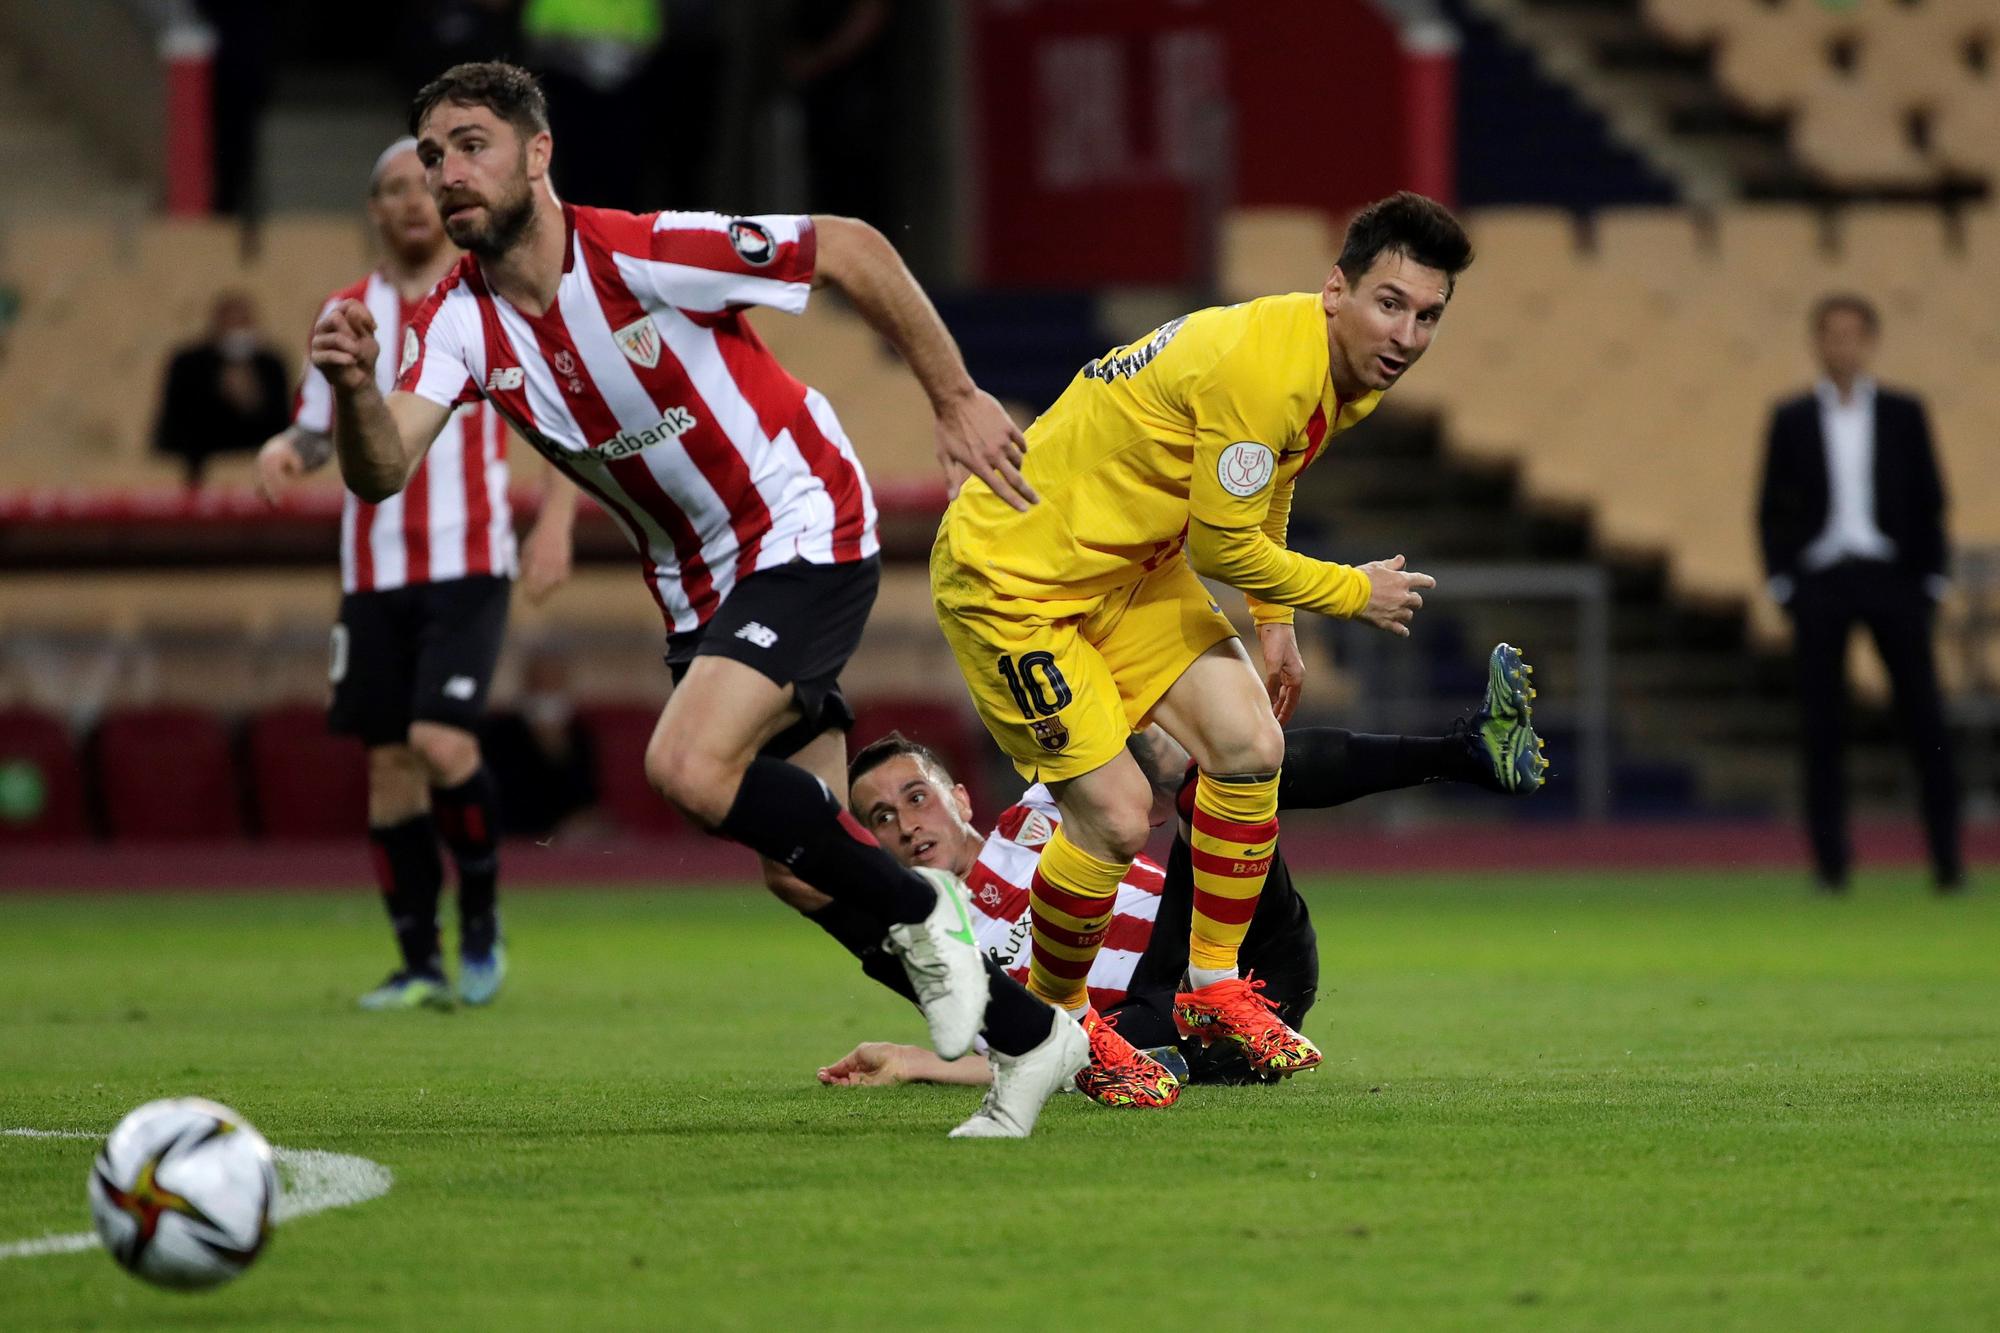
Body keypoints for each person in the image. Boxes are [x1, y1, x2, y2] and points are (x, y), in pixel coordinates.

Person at [309, 61, 1077, 1138]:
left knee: (683, 766)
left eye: (471, 143)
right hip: (696, 585)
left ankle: (925, 907)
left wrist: (953, 397)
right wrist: (350, 391)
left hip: (803, 521)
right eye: (431, 155)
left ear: (538, 154)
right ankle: (1031, 1038)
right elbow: (382, 467)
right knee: (801, 873)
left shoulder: (641, 249)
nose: (447, 173)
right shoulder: (461, 321)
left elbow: (850, 243)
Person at [929, 192, 1470, 1100]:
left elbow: (1268, 486)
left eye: (1428, 316)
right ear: (1336, 288)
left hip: (1127, 568)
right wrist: (1350, 592)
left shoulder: (1338, 370)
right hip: (1014, 577)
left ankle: (1213, 987)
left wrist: (1275, 624)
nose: (1408, 334)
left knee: (1250, 745)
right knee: (1113, 812)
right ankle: (1054, 1026)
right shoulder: (1270, 369)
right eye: (1390, 304)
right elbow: (1224, 547)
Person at [814, 642, 1546, 1091]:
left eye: (915, 796)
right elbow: (1013, 1049)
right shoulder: (936, 945)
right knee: (1087, 1030)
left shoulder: (1040, 810)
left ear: (959, 796)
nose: (906, 823)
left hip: (1234, 958)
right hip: (1153, 1010)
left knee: (1227, 772)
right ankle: (1188, 1053)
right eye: (880, 817)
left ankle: (1466, 750)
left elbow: (1159, 758)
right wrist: (916, 1059)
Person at [258, 139, 577, 1010]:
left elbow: (559, 412)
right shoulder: (347, 310)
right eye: (390, 189)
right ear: (372, 209)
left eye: (418, 187)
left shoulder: (486, 299)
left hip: (470, 561)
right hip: (373, 574)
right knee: (390, 764)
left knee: (441, 742)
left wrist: (554, 520)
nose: (407, 202)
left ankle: (479, 918)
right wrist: (289, 448)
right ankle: (417, 961)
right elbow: (322, 424)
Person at [1757, 293, 1962, 895]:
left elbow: (1931, 498)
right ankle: (1831, 866)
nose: (1841, 345)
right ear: (1816, 342)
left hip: (1892, 577)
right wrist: (1784, 581)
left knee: (1925, 720)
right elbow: (1771, 508)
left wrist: (1930, 579)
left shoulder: (1904, 412)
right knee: (1822, 728)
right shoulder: (1791, 417)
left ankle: (1948, 862)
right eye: (1830, 334)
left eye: (1851, 334)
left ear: (1869, 341)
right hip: (1823, 580)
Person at [154, 291, 292, 486]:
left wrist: (252, 400)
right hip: (200, 476)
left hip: (259, 477)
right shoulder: (188, 365)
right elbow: (174, 429)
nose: (236, 333)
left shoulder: (270, 366)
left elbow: (282, 430)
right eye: (229, 324)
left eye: (242, 324)